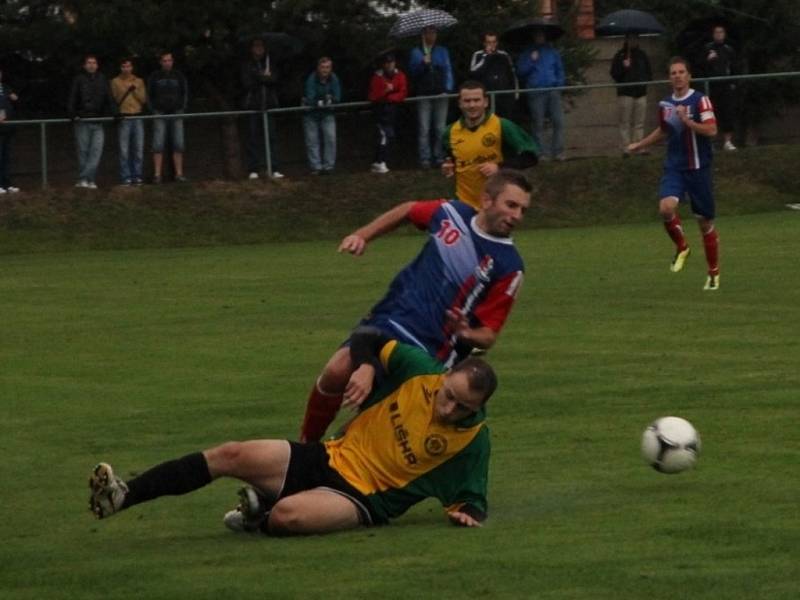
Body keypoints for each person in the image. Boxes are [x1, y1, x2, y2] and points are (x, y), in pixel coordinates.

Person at [88, 329, 495, 534]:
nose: (449, 408)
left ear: (478, 409)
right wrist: (369, 365)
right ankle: (125, 494)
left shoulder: (474, 440)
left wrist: (467, 513)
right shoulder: (420, 370)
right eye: (449, 395)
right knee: (231, 453)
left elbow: (473, 497)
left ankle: (262, 513)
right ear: (445, 377)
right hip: (329, 454)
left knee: (288, 517)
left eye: (463, 407)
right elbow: (367, 337)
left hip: (364, 498)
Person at [300, 169, 530, 442]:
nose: (517, 216)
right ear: (487, 199)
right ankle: (305, 446)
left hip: (429, 350)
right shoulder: (451, 213)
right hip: (390, 318)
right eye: (511, 205)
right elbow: (409, 210)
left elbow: (488, 336)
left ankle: (323, 464)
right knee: (337, 370)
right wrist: (363, 234)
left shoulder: (509, 267)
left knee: (368, 428)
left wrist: (465, 331)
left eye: (523, 210)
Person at [627, 57, 721, 291]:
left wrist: (687, 121)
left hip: (699, 168)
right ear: (669, 78)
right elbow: (664, 130)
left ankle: (713, 273)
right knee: (666, 208)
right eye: (673, 73)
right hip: (675, 167)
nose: (677, 76)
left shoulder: (701, 101)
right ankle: (682, 246)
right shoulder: (666, 104)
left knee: (704, 223)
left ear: (689, 76)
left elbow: (711, 130)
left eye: (681, 72)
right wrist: (640, 144)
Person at [441, 80, 538, 210]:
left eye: (476, 100)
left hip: (495, 204)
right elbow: (452, 159)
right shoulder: (450, 132)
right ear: (460, 103)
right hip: (463, 204)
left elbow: (530, 157)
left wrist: (499, 167)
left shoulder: (501, 125)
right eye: (467, 101)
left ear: (485, 102)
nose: (472, 105)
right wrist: (448, 167)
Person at [67, 55, 117, 189]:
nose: (91, 65)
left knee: (96, 151)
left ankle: (87, 178)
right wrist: (73, 114)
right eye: (89, 63)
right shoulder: (79, 79)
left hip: (98, 120)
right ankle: (85, 179)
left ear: (97, 65)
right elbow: (72, 97)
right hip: (83, 120)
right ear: (84, 65)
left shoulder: (102, 79)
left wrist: (115, 113)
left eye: (94, 63)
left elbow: (109, 97)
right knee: (83, 151)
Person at [408, 26, 454, 169]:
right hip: (423, 94)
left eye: (434, 32)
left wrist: (448, 88)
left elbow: (448, 70)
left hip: (441, 93)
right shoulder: (416, 52)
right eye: (429, 32)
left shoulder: (442, 50)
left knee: (440, 128)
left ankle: (439, 156)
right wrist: (423, 63)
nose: (432, 35)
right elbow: (412, 72)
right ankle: (425, 158)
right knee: (424, 128)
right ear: (423, 34)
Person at [516, 29, 566, 161]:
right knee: (538, 123)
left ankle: (558, 152)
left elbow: (560, 70)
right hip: (536, 90)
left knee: (558, 121)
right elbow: (520, 72)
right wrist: (531, 61)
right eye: (537, 35)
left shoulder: (553, 52)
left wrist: (559, 85)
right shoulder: (527, 53)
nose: (539, 37)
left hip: (552, 89)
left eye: (541, 35)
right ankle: (541, 153)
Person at [241, 38, 284, 179]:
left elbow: (275, 80)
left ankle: (274, 168)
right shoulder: (247, 64)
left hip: (269, 105)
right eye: (256, 46)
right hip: (253, 106)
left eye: (261, 46)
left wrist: (263, 78)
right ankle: (253, 169)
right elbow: (247, 83)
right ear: (252, 48)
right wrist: (262, 77)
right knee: (253, 138)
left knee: (271, 137)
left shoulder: (270, 63)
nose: (259, 48)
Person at [147, 52, 188, 183]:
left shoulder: (179, 76)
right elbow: (149, 94)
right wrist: (153, 109)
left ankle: (179, 174)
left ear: (173, 61)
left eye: (169, 60)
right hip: (159, 112)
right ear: (160, 62)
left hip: (176, 112)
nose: (167, 63)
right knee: (158, 144)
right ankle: (157, 175)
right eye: (164, 60)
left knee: (178, 143)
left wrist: (182, 108)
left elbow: (185, 93)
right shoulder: (154, 76)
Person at [609, 34, 652, 156]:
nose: (633, 41)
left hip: (640, 92)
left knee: (639, 122)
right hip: (626, 93)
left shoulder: (642, 55)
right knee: (625, 122)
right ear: (626, 40)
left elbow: (649, 73)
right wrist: (624, 67)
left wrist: (643, 81)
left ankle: (638, 146)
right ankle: (626, 147)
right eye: (631, 39)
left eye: (635, 38)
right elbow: (614, 74)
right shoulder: (620, 55)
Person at [367, 53, 408, 174]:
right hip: (380, 112)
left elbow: (403, 92)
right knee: (383, 136)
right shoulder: (377, 77)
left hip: (392, 111)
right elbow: (373, 96)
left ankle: (377, 161)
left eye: (392, 62)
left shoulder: (399, 75)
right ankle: (380, 162)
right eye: (387, 63)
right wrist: (385, 91)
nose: (390, 65)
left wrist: (390, 97)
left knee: (389, 136)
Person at [110, 58, 147, 185]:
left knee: (138, 149)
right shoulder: (115, 82)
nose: (126, 69)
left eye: (129, 66)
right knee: (124, 150)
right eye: (124, 66)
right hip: (124, 117)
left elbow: (143, 99)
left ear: (132, 67)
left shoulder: (139, 81)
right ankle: (125, 176)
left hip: (137, 117)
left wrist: (134, 89)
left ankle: (137, 175)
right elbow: (114, 99)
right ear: (120, 68)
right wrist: (126, 89)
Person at [302, 57, 340, 175]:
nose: (325, 70)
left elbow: (337, 97)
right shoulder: (311, 78)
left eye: (328, 67)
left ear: (331, 68)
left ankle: (329, 167)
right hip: (311, 114)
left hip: (327, 113)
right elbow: (310, 98)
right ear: (318, 68)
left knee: (331, 139)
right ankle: (316, 167)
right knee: (312, 141)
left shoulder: (333, 78)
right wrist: (324, 100)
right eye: (323, 67)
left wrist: (330, 100)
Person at [702, 24, 737, 151]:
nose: (719, 34)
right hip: (712, 86)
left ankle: (727, 142)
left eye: (721, 32)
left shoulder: (729, 49)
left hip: (726, 86)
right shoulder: (707, 48)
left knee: (727, 113)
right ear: (713, 34)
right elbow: (701, 68)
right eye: (716, 32)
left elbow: (734, 68)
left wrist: (733, 83)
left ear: (724, 34)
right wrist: (708, 59)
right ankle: (711, 143)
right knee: (711, 114)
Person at [469, 32, 517, 119]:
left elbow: (512, 75)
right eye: (489, 42)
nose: (491, 45)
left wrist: (514, 93)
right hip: (486, 95)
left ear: (497, 43)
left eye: (493, 42)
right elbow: (473, 72)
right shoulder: (478, 55)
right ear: (484, 43)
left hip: (503, 96)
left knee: (504, 120)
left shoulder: (504, 55)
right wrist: (486, 57)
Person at [0, 67, 20, 193]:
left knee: (7, 157)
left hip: (8, 127)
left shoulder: (6, 87)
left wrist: (15, 98)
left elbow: (15, 101)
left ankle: (7, 184)